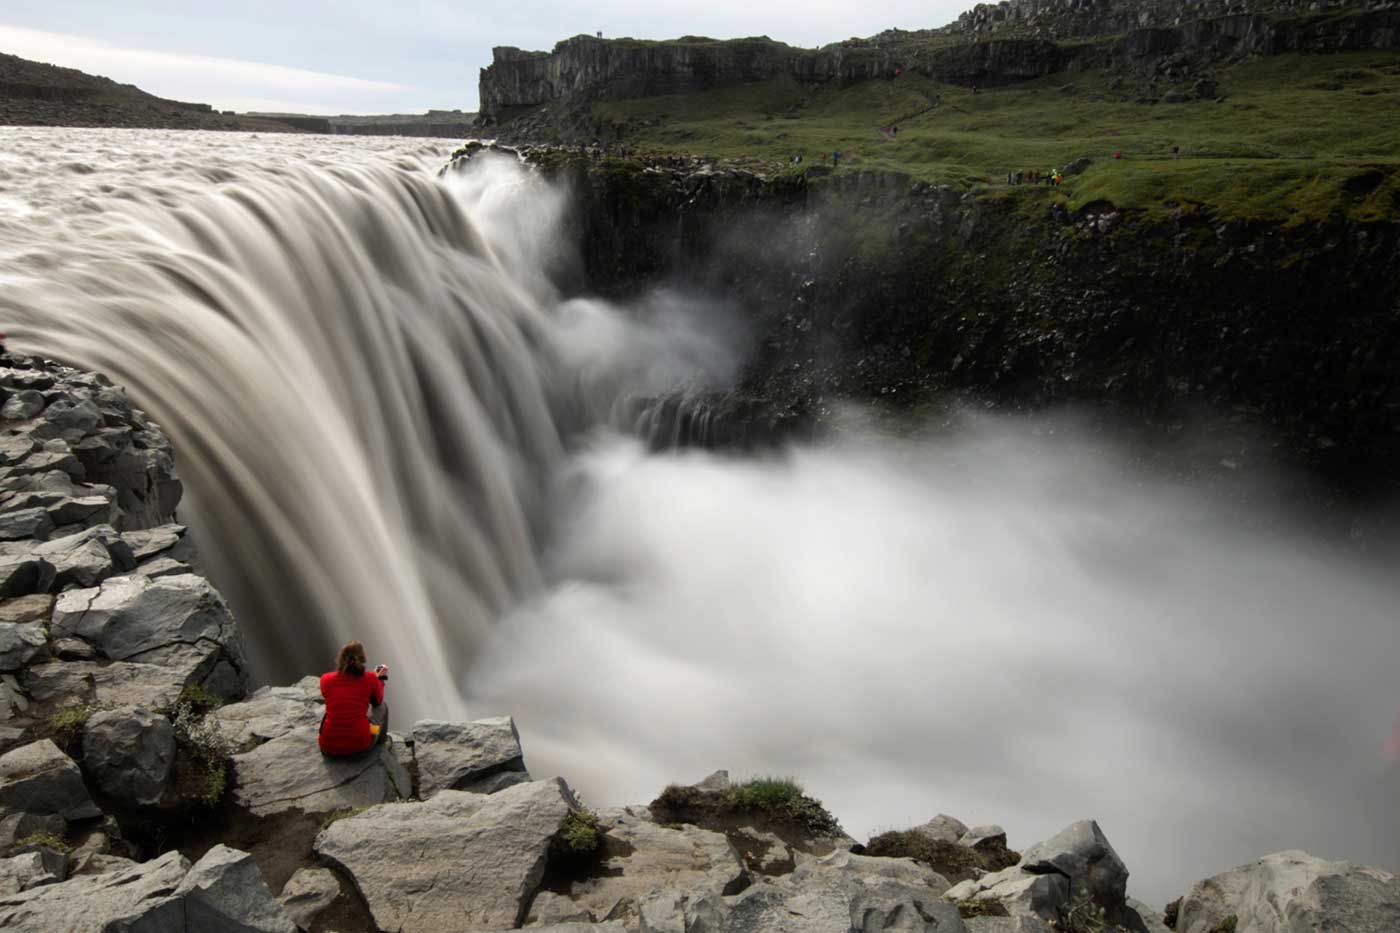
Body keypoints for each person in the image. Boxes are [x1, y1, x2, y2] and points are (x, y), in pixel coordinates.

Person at [319, 640, 389, 756]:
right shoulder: (370, 679)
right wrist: (379, 679)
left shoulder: (325, 679)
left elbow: (338, 696)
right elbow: (378, 701)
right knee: (383, 707)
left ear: (340, 659)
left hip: (328, 748)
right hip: (360, 746)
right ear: (362, 659)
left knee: (330, 711)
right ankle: (383, 742)